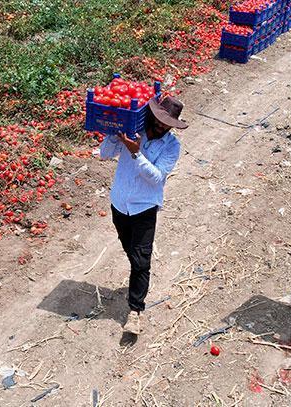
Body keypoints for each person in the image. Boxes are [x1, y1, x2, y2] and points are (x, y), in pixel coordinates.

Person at [99, 96, 188, 335]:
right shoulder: (133, 131)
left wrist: (136, 153)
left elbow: (158, 177)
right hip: (119, 204)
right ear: (151, 116)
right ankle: (138, 274)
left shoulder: (171, 146)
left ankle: (135, 310)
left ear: (172, 126)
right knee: (132, 252)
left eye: (166, 124)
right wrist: (114, 134)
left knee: (141, 260)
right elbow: (104, 155)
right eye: (158, 121)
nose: (160, 127)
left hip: (144, 208)